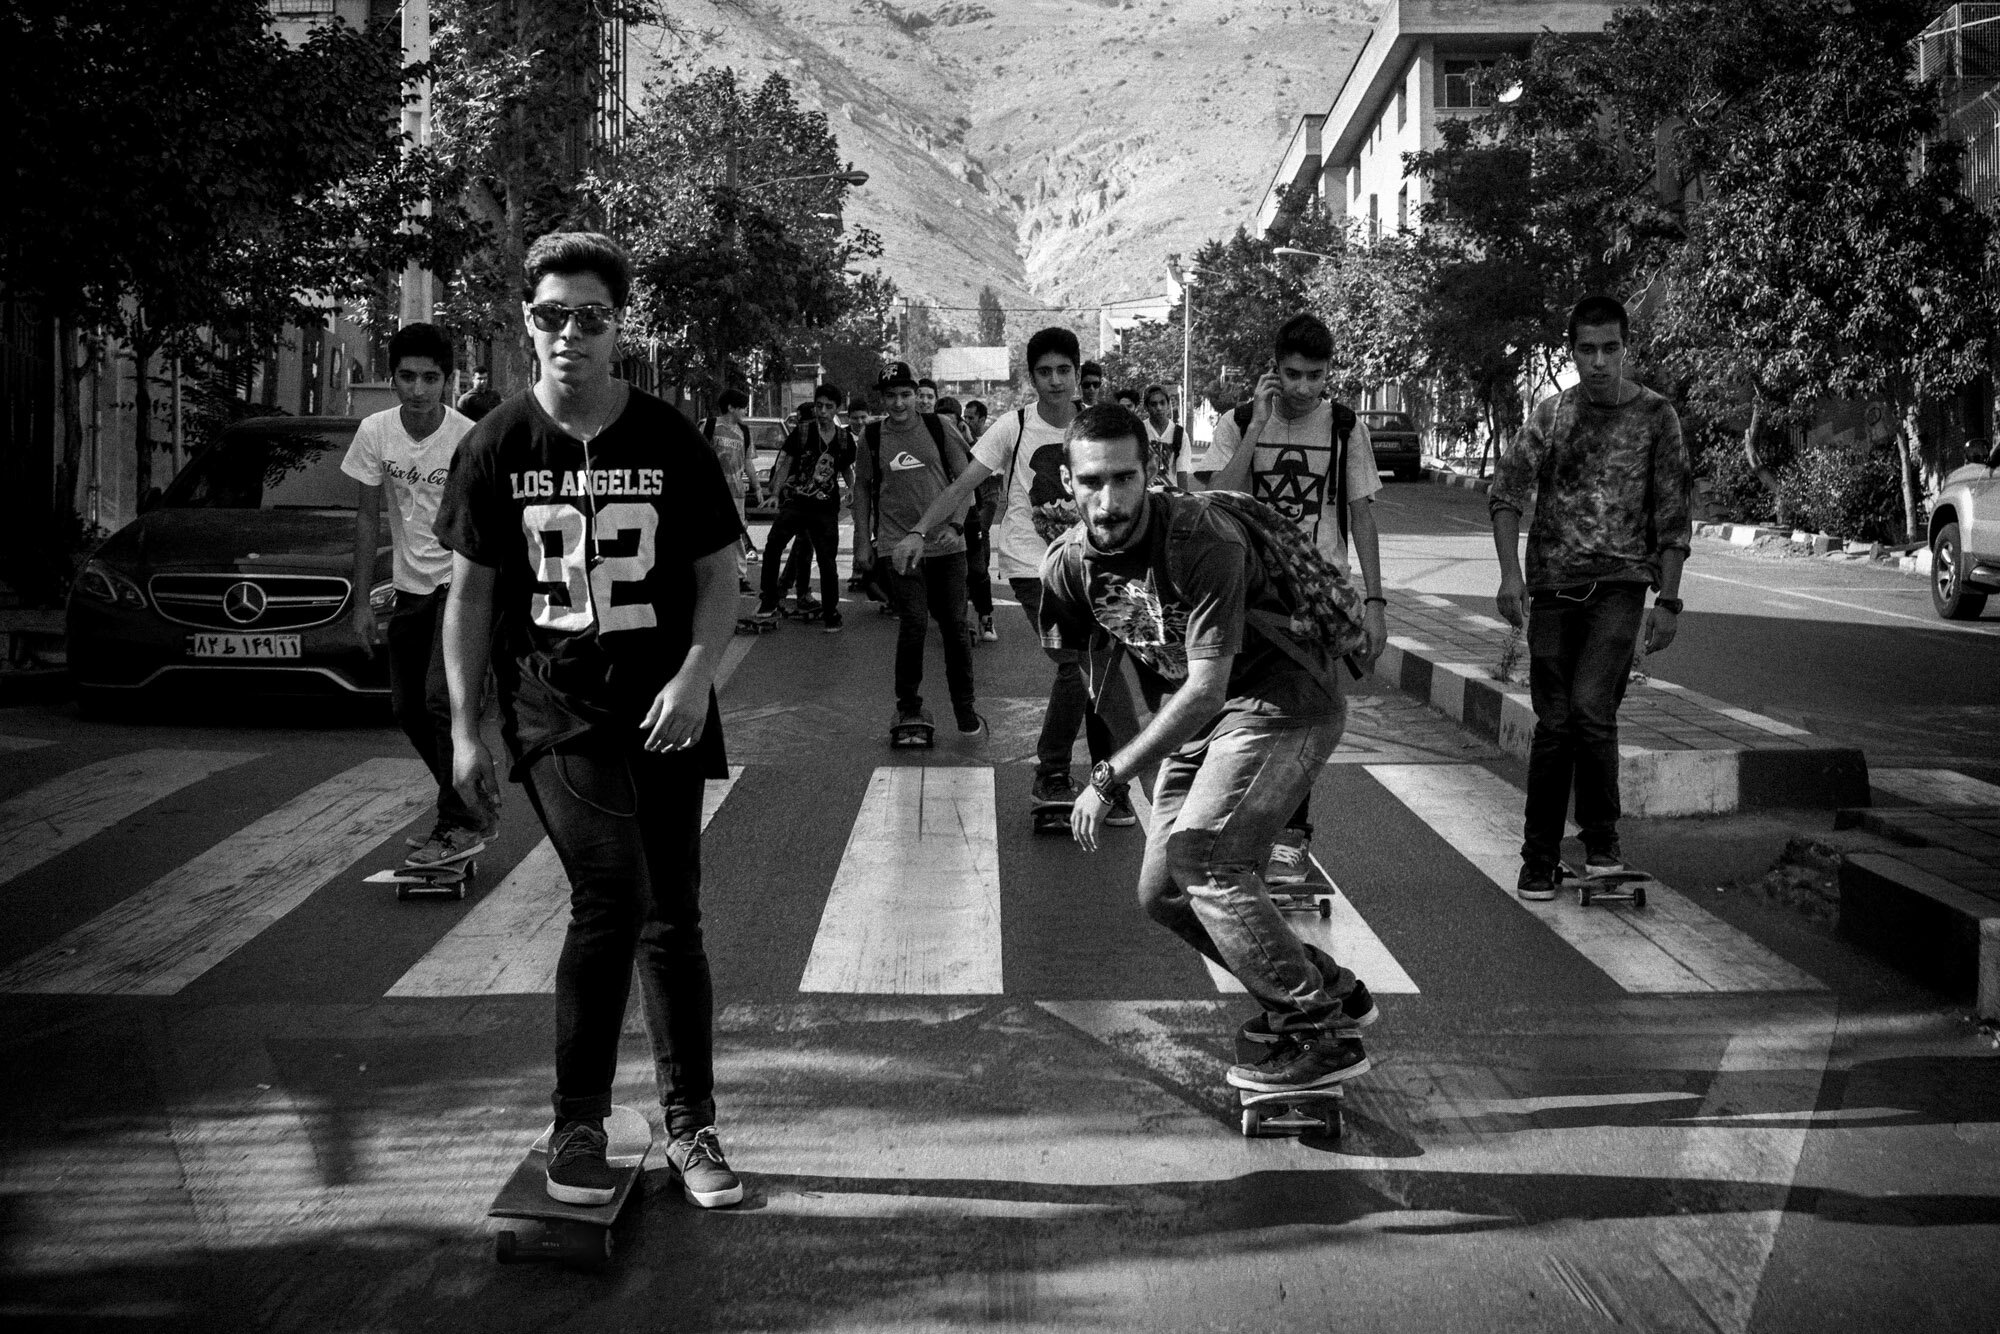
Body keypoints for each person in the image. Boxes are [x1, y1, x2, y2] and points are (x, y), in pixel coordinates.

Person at [436, 230, 745, 1211]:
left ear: (619, 326)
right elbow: (471, 599)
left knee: (674, 918)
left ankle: (690, 1122)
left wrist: (697, 675)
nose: (569, 333)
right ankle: (578, 1118)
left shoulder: (667, 437)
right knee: (611, 891)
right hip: (554, 701)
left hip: (663, 696)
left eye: (590, 316)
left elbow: (717, 577)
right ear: (525, 323)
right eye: (550, 315)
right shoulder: (494, 444)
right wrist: (462, 727)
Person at [1040, 403, 1380, 1091]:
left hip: (1286, 700)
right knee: (1163, 891)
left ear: (1154, 471)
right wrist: (1123, 751)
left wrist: (1110, 776)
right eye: (1091, 482)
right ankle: (1327, 988)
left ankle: (1314, 1030)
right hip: (1205, 721)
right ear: (1068, 486)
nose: (1109, 501)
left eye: (1125, 478)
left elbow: (1204, 687)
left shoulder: (1200, 537)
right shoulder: (1067, 567)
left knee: (1209, 857)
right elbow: (1089, 666)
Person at [1489, 295, 1691, 900]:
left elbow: (1673, 516)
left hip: (1621, 586)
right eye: (1586, 349)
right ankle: (1539, 857)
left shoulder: (1657, 417)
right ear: (1571, 351)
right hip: (1552, 588)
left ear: (1625, 348)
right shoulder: (1551, 416)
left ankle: (1602, 845)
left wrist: (1670, 601)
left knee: (1591, 711)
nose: (1598, 361)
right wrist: (1509, 578)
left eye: (1610, 348)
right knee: (1555, 725)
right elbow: (1505, 495)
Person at [896, 327, 1138, 827]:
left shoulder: (1100, 427)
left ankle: (1104, 780)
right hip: (1035, 567)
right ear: (1032, 378)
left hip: (1098, 565)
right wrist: (920, 530)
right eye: (1045, 372)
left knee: (1102, 668)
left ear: (1078, 374)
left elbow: (1139, 491)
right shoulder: (1014, 425)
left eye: (1064, 371)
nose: (1055, 381)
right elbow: (964, 483)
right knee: (1077, 663)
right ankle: (1051, 772)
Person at [1201, 314, 1388, 890]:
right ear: (1273, 369)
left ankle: (1290, 843)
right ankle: (1241, 832)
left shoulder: (1345, 426)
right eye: (1292, 375)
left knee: (1304, 719)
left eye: (1315, 376)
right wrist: (1257, 427)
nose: (1303, 388)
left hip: (1318, 599)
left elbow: (1361, 513)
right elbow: (1217, 500)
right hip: (1253, 595)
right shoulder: (1237, 422)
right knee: (1246, 718)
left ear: (1329, 373)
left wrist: (1375, 601)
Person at [345, 322, 487, 867]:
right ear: (392, 378)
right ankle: (470, 796)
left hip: (460, 587)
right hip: (409, 589)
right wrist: (362, 604)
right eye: (408, 377)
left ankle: (457, 822)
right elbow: (366, 519)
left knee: (438, 700)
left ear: (448, 382)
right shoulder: (376, 432)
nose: (419, 389)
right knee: (406, 708)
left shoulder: (468, 437)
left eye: (431, 378)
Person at [853, 362, 984, 738]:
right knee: (913, 621)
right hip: (897, 546)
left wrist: (958, 525)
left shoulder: (939, 427)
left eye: (906, 395)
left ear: (916, 395)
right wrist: (862, 540)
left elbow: (965, 483)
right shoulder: (872, 436)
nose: (899, 403)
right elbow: (862, 488)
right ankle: (908, 706)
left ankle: (965, 708)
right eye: (891, 396)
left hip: (946, 544)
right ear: (882, 398)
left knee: (955, 627)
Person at [750, 383, 855, 632]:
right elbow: (787, 460)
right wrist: (775, 493)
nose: (823, 411)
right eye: (819, 406)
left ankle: (831, 612)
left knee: (827, 561)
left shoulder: (843, 438)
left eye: (829, 407)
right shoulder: (803, 431)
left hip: (825, 509)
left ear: (837, 410)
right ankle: (769, 600)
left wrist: (852, 490)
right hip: (797, 503)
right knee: (774, 544)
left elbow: (846, 469)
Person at [938, 394, 997, 643]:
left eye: (952, 423)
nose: (947, 428)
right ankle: (962, 623)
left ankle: (986, 617)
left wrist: (968, 441)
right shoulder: (933, 443)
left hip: (971, 516)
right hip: (943, 516)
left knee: (977, 570)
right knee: (952, 574)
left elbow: (986, 483)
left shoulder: (974, 445)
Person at [703, 388, 762, 594]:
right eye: (743, 407)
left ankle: (740, 577)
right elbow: (698, 456)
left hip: (736, 492)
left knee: (737, 534)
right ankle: (710, 577)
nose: (745, 411)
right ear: (731, 407)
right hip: (711, 492)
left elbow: (748, 462)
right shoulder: (710, 426)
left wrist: (757, 487)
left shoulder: (744, 432)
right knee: (709, 533)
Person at [1142, 382, 1191, 489]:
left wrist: (1183, 499)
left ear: (1168, 405)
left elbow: (1182, 472)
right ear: (1146, 407)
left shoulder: (1179, 434)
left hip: (1170, 495)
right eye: (1153, 404)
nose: (1159, 408)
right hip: (1144, 495)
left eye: (1162, 403)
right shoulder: (1139, 430)